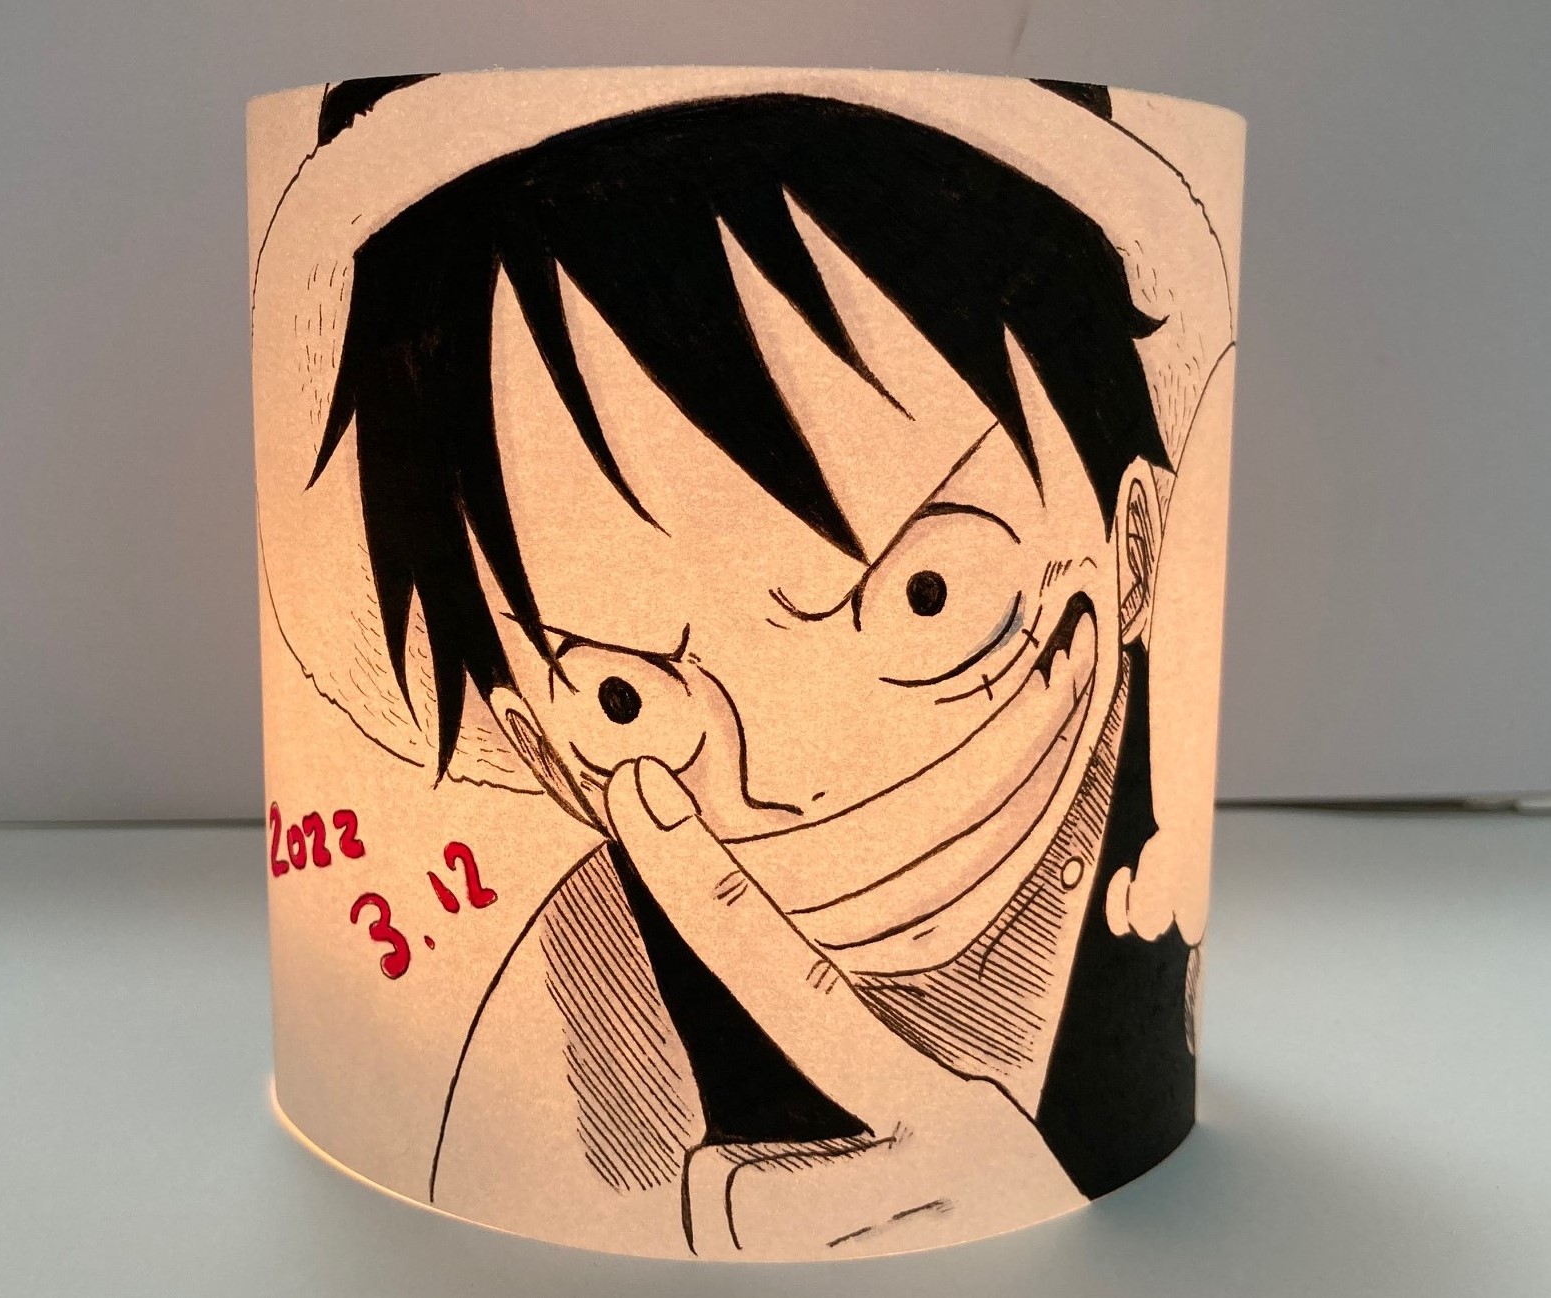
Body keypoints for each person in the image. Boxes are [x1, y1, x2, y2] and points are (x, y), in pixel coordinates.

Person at [310, 90, 1204, 1257]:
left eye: (925, 592)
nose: (790, 776)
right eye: (626, 697)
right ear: (546, 750)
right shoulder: (591, 986)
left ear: (1131, 547)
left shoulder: (1171, 855)